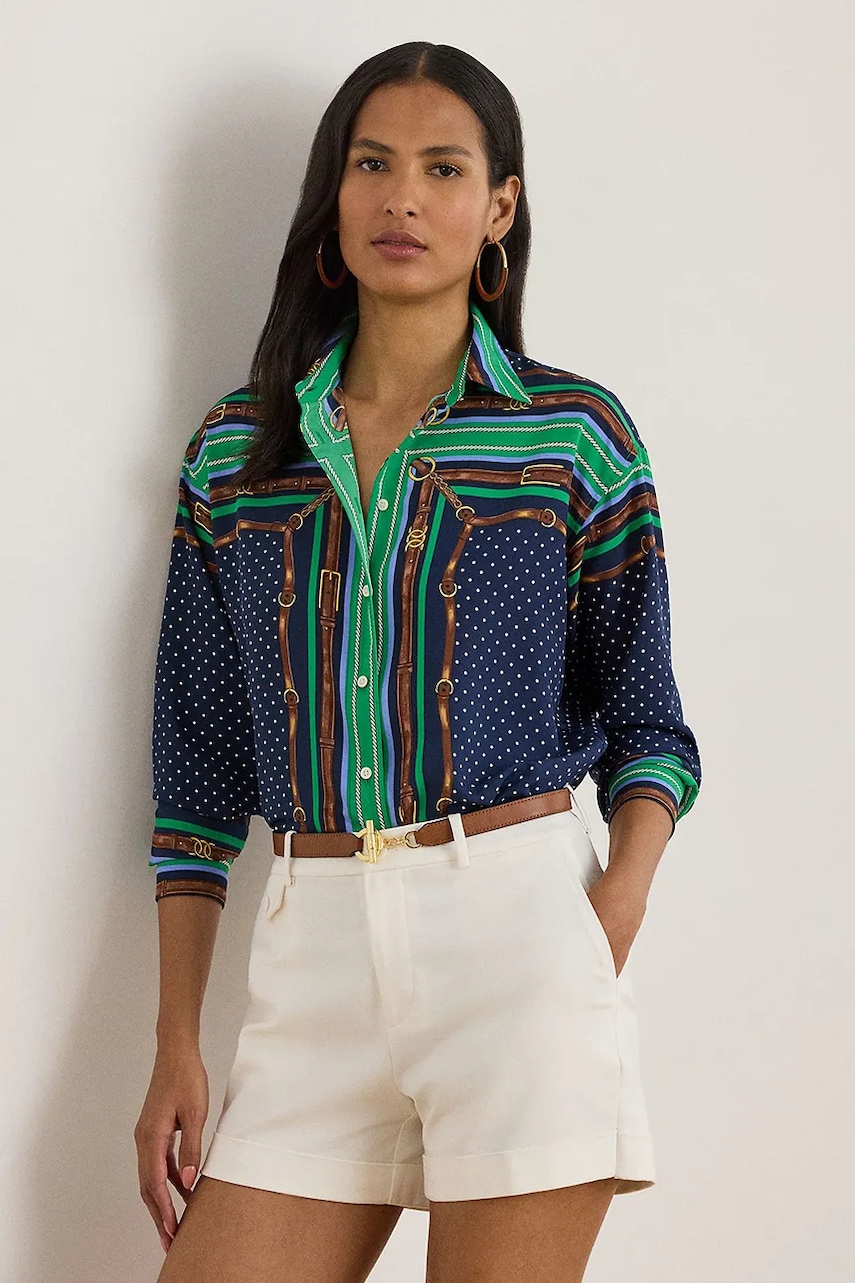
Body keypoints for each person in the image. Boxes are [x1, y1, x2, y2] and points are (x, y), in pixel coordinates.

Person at [135, 40, 702, 1283]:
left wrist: (603, 917)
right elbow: (198, 772)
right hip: (311, 964)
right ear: (332, 198)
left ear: (500, 206)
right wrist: (177, 1035)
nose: (403, 198)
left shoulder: (573, 434)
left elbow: (649, 724)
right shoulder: (236, 454)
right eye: (372, 165)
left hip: (519, 944)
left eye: (444, 169)